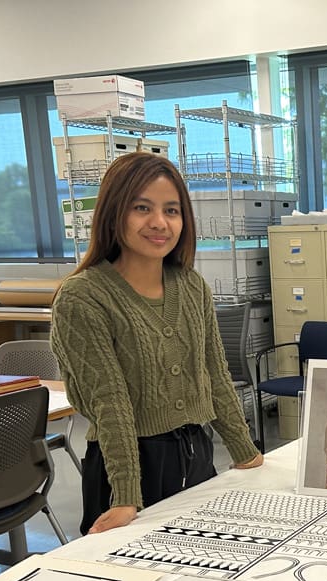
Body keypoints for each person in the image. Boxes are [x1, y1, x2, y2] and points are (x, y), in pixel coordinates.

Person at [50, 152, 263, 535]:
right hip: (127, 468)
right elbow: (109, 402)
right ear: (115, 212)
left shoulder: (190, 285)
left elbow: (215, 375)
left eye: (172, 210)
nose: (159, 223)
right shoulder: (82, 297)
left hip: (196, 452)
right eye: (142, 208)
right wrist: (126, 497)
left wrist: (244, 451)